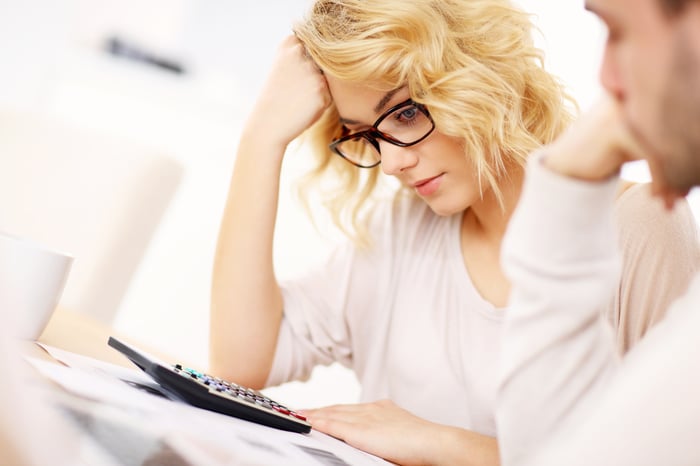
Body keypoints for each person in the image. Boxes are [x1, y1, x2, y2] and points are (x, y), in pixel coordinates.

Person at [210, 0, 699, 464]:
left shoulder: (639, 227)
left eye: (406, 113)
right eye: (368, 135)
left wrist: (438, 444)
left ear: (479, 75)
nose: (393, 163)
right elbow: (241, 364)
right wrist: (261, 140)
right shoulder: (404, 230)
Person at [497, 0, 700, 465]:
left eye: (618, 31)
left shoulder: (644, 220)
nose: (607, 79)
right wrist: (570, 175)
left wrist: (563, 186)